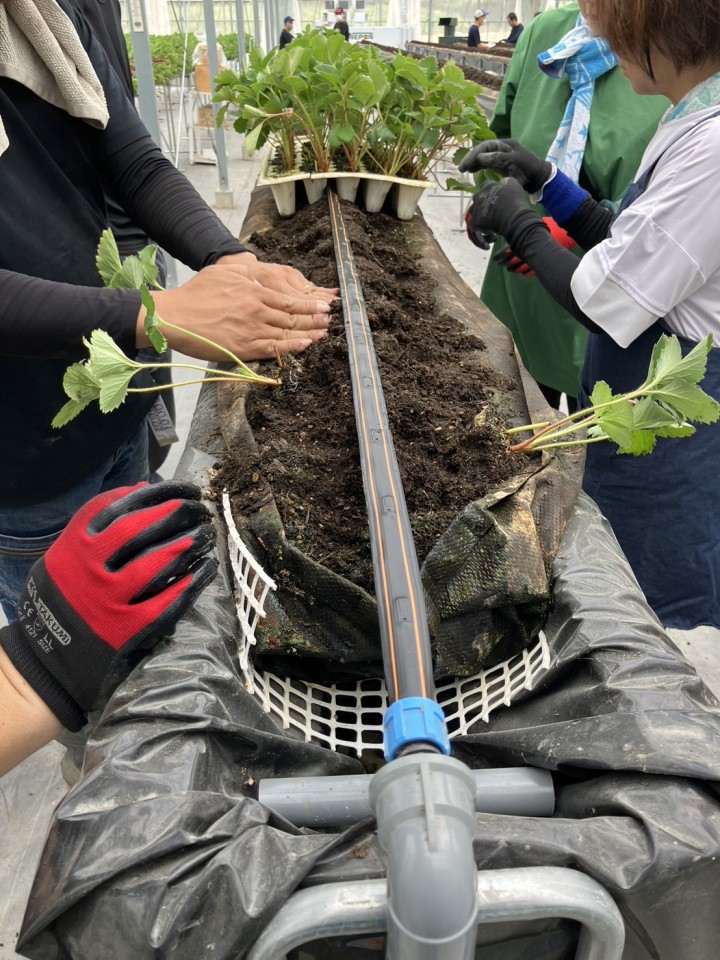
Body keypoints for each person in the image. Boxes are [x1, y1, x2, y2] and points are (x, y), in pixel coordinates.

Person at [0, 0, 336, 622]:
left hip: (115, 400)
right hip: (22, 468)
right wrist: (155, 315)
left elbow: (135, 160)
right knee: (84, 666)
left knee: (159, 606)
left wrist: (232, 260)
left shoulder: (42, 16)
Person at [459, 0, 720, 630]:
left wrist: (517, 222)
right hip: (641, 413)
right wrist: (550, 182)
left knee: (655, 603)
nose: (604, 44)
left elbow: (606, 299)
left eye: (614, 33)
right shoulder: (693, 116)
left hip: (672, 442)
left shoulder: (713, 149)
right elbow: (639, 251)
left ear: (665, 26)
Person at [478, 2, 667, 410]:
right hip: (520, 275)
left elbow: (664, 195)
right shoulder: (546, 31)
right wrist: (491, 201)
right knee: (511, 405)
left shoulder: (664, 52)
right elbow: (504, 133)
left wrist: (557, 229)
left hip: (602, 273)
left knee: (594, 417)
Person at [0, 480, 217, 777]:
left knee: (137, 551)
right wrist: (33, 668)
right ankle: (86, 763)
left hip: (106, 443)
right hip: (28, 485)